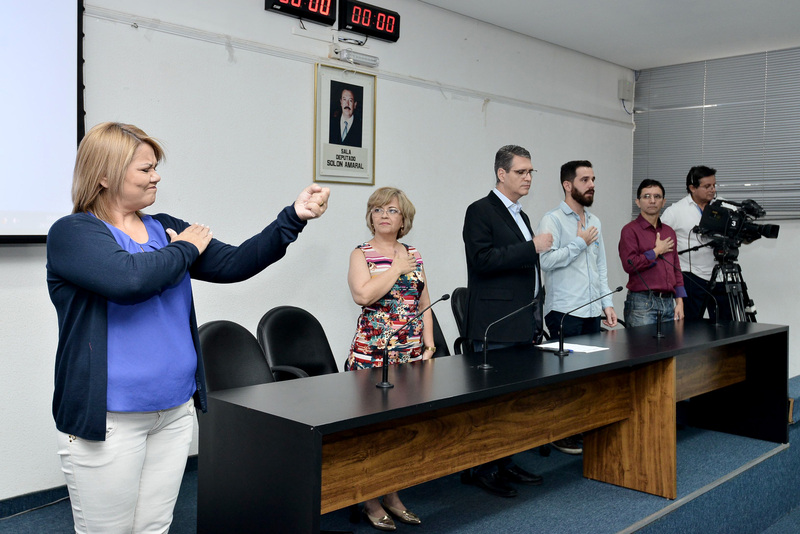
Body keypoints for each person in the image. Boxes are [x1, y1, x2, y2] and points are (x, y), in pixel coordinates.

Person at [46, 121, 329, 533]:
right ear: (104, 175)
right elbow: (129, 280)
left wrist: (293, 218)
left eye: (155, 167)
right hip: (109, 419)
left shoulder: (164, 227)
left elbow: (236, 263)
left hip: (174, 410)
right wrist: (185, 247)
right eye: (145, 169)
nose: (156, 176)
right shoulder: (73, 233)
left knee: (155, 526)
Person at [462, 144, 552, 498]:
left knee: (514, 400)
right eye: (521, 172)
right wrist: (532, 247)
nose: (528, 178)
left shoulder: (521, 216)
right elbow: (482, 259)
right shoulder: (480, 211)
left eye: (531, 172)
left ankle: (505, 461)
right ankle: (482, 468)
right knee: (492, 402)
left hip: (521, 319)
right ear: (502, 174)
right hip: (495, 323)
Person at [346, 187, 433, 530]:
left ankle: (393, 495)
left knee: (398, 430)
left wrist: (429, 346)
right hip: (372, 357)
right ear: (371, 216)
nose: (384, 215)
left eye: (392, 210)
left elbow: (423, 302)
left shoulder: (413, 253)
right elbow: (362, 295)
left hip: (409, 356)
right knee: (372, 432)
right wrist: (395, 269)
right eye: (378, 209)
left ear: (403, 219)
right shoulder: (361, 254)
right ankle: (369, 499)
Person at [536, 160, 617, 455]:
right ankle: (560, 432)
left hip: (592, 310)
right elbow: (545, 262)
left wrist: (607, 302)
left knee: (588, 375)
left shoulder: (595, 221)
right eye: (585, 180)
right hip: (564, 312)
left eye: (593, 179)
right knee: (565, 378)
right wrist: (579, 243)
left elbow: (600, 267)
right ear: (567, 185)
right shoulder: (552, 220)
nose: (591, 185)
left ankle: (581, 426)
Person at [661, 165, 731, 321]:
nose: (712, 190)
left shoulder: (723, 206)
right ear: (692, 188)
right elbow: (659, 240)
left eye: (714, 185)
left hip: (720, 275)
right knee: (690, 327)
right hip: (691, 277)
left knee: (727, 325)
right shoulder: (675, 211)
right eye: (707, 186)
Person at [618, 179, 686, 327]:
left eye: (657, 196)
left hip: (669, 303)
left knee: (671, 343)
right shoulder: (630, 230)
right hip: (642, 303)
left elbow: (676, 268)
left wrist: (679, 302)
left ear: (663, 201)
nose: (652, 201)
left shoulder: (669, 231)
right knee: (642, 343)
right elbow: (630, 265)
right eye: (647, 196)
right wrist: (656, 251)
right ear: (638, 202)